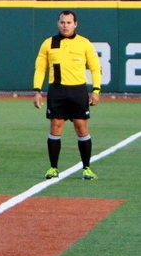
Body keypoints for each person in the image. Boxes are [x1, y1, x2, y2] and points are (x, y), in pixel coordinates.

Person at [32, 10, 102, 180]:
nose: (65, 25)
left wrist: (96, 90)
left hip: (78, 90)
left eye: (69, 22)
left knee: (81, 127)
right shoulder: (49, 43)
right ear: (58, 24)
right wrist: (37, 91)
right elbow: (40, 68)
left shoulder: (84, 43)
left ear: (75, 24)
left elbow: (94, 68)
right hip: (57, 90)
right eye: (62, 22)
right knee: (55, 126)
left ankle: (86, 168)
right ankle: (53, 168)